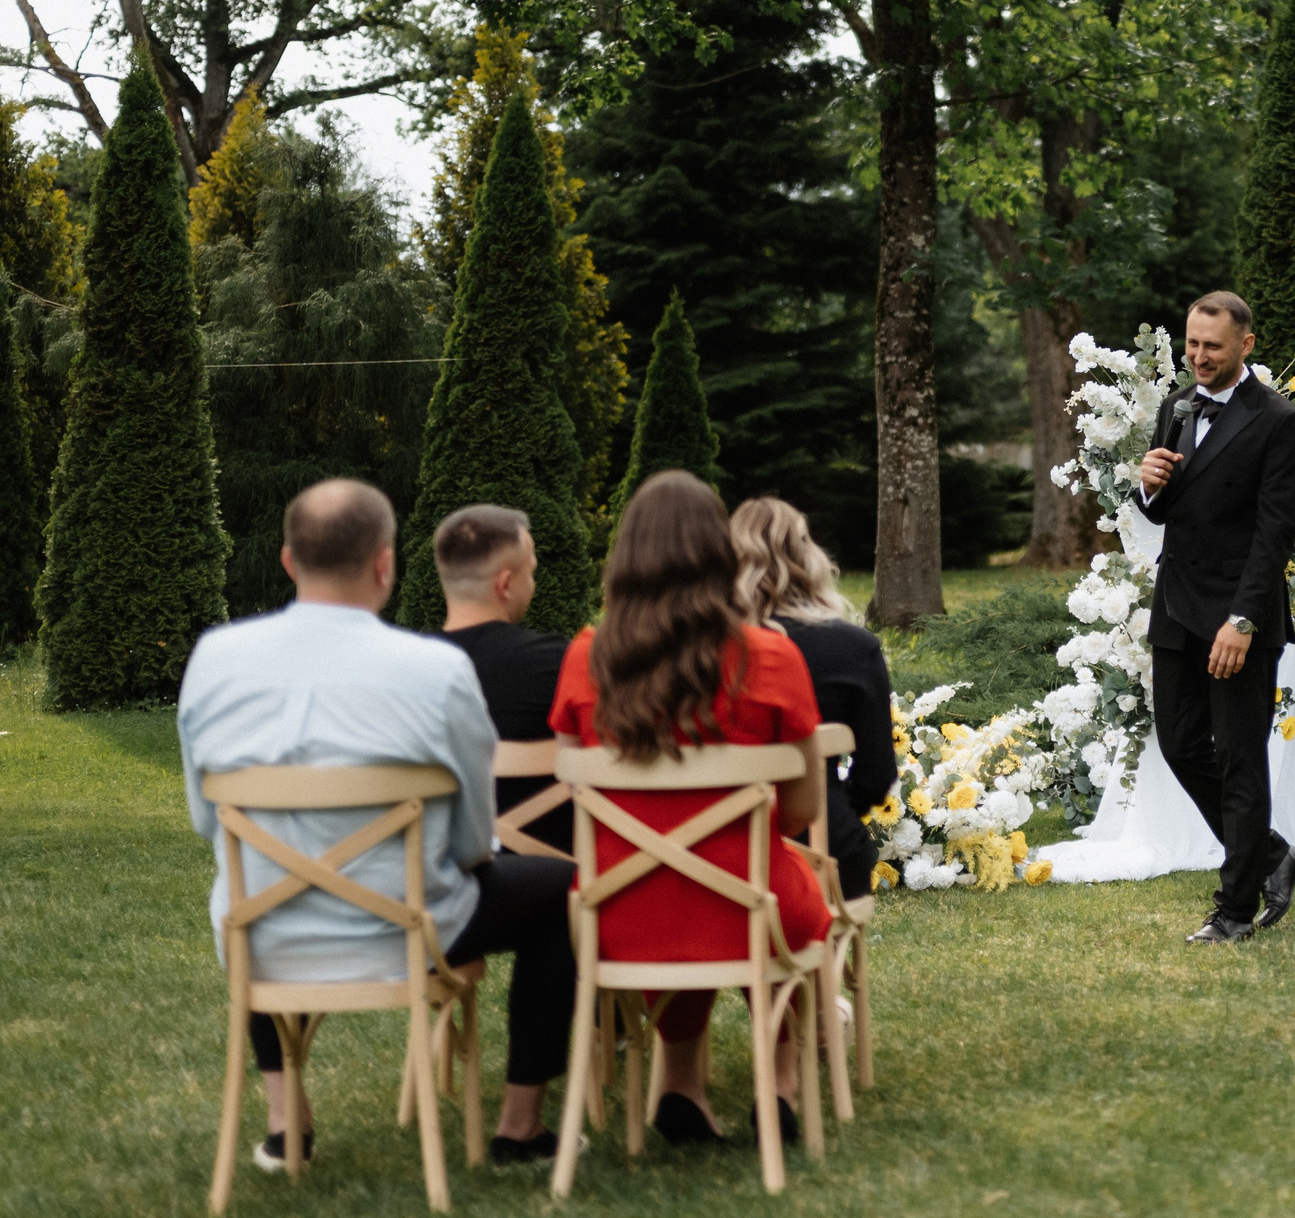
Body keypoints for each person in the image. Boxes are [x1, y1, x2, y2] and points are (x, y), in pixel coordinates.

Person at [178, 479, 576, 1170]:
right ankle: (520, 1126)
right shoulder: (436, 670)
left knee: (257, 899)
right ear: (386, 564)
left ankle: (284, 1121)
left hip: (261, 929)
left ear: (287, 560)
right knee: (563, 890)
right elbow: (471, 837)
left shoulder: (213, 658)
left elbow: (205, 818)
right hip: (411, 928)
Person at [549, 470, 831, 1146]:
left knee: (676, 895)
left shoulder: (584, 659)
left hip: (618, 911)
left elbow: (572, 803)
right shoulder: (770, 656)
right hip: (751, 901)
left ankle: (679, 1084)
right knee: (782, 894)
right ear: (720, 556)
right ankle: (783, 1080)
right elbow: (799, 809)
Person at [1133, 289, 1295, 944]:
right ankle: (1269, 854)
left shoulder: (1279, 421)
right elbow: (1161, 509)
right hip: (1177, 607)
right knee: (1181, 745)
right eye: (1192, 342)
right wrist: (1148, 483)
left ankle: (1235, 910)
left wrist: (1242, 620)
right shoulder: (1174, 406)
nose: (1199, 355)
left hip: (1240, 614)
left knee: (1240, 758)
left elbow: (1275, 533)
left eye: (1212, 345)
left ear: (1246, 344)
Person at [730, 497, 896, 898]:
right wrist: (833, 808)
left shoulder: (703, 652)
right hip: (827, 843)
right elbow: (877, 774)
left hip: (721, 843)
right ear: (809, 557)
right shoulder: (854, 647)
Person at [435, 505, 572, 856]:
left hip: (435, 887)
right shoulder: (561, 663)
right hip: (552, 885)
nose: (535, 584)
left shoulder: (407, 672)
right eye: (532, 573)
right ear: (505, 584)